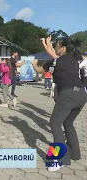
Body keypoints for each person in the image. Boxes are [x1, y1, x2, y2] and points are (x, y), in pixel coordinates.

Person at [32, 36, 86, 172]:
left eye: (57, 45)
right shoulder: (74, 57)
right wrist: (48, 44)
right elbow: (53, 54)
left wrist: (32, 64)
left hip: (68, 95)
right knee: (68, 123)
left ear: (62, 48)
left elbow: (39, 71)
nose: (55, 47)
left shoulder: (55, 62)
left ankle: (60, 160)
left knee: (55, 124)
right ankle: (75, 154)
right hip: (82, 95)